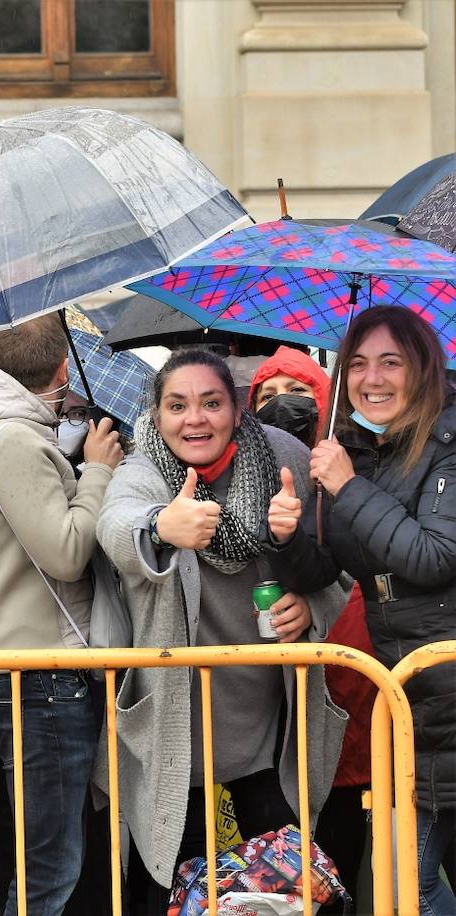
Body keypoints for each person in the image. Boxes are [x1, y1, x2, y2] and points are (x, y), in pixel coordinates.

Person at [95, 348, 348, 910]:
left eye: (211, 403)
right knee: (167, 895)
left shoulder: (284, 455)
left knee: (282, 892)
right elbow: (112, 527)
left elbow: (340, 558)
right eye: (177, 405)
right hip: (174, 734)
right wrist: (161, 525)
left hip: (270, 730)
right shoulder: (144, 470)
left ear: (236, 408)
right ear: (157, 416)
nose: (195, 419)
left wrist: (310, 605)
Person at [264, 305, 456, 915]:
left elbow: (433, 557)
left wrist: (348, 488)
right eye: (359, 363)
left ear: (422, 370)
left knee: (410, 882)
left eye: (390, 362)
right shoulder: (357, 450)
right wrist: (288, 536)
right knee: (406, 881)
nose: (373, 377)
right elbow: (325, 569)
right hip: (412, 703)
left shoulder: (448, 443)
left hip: (447, 689)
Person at [0, 314, 123, 916]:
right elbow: (68, 552)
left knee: (44, 856)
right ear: (63, 369)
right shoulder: (12, 438)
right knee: (50, 864)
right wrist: (97, 469)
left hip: (24, 667)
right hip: (36, 674)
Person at [248, 348, 377, 909]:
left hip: (362, 672)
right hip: (288, 690)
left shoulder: (356, 465)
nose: (283, 406)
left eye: (296, 392)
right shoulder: (250, 469)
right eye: (267, 397)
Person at [249, 345, 330, 448]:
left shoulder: (349, 457)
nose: (281, 403)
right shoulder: (242, 460)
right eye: (268, 396)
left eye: (297, 390)